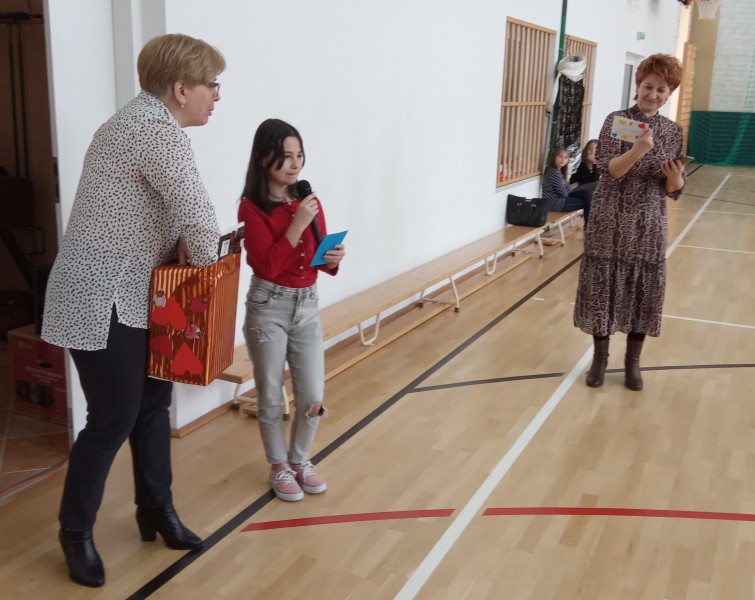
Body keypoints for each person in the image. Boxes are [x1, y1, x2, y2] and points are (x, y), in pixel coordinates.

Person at [41, 34, 225, 587]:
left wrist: (188, 248)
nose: (217, 96)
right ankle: (75, 531)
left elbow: (165, 216)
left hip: (134, 293)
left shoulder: (142, 122)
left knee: (152, 405)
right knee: (114, 416)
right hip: (102, 294)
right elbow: (199, 217)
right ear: (181, 88)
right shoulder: (153, 130)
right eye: (212, 85)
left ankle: (156, 510)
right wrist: (215, 271)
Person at [239, 118, 345, 502]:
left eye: (299, 155)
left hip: (307, 304)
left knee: (313, 394)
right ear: (263, 158)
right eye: (285, 156)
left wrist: (333, 258)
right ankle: (278, 465)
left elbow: (316, 258)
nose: (295, 164)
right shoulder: (251, 208)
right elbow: (267, 265)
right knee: (270, 394)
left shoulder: (307, 200)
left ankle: (300, 460)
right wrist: (298, 223)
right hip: (268, 306)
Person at [573, 53, 686, 391]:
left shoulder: (673, 131)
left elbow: (674, 189)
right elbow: (611, 171)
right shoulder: (617, 121)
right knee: (602, 288)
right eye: (648, 86)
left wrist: (675, 177)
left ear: (669, 94)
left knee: (643, 291)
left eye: (661, 89)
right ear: (638, 86)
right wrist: (639, 150)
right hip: (610, 219)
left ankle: (632, 362)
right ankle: (600, 359)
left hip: (649, 222)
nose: (653, 94)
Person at [542, 146, 594, 223]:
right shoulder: (553, 172)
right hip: (555, 203)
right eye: (560, 156)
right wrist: (567, 187)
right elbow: (564, 193)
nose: (562, 159)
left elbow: (566, 189)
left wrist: (567, 187)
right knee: (587, 202)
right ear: (554, 157)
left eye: (565, 157)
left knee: (587, 193)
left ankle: (588, 224)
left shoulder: (559, 171)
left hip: (561, 199)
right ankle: (589, 225)